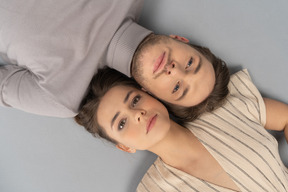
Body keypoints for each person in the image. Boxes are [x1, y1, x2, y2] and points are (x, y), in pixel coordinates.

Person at [75, 66, 288, 191]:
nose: (137, 114)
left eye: (135, 100)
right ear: (125, 147)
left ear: (149, 93)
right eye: (121, 123)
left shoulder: (220, 106)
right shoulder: (154, 189)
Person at [0, 0, 152, 117]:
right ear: (176, 38)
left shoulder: (62, 96)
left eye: (176, 88)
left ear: (148, 91)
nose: (172, 70)